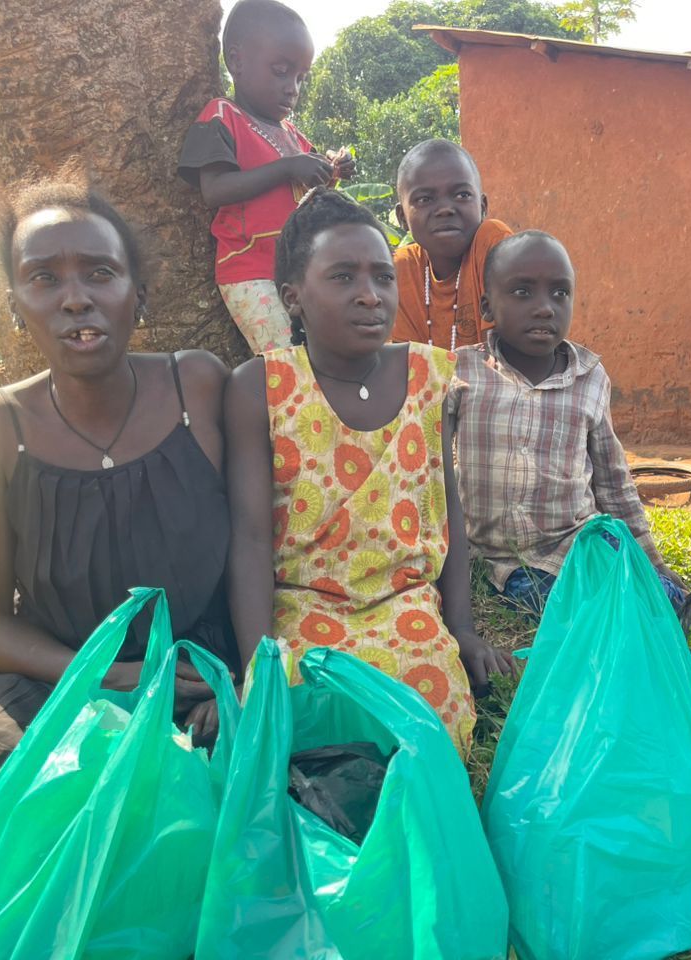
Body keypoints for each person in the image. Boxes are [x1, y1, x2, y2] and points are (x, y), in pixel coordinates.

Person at [0, 176, 238, 941]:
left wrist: (238, 675)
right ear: (16, 304)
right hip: (53, 681)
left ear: (138, 291)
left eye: (100, 272)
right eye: (44, 277)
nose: (76, 298)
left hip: (195, 675)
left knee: (221, 832)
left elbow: (257, 546)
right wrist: (111, 676)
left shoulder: (200, 385)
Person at [223, 189, 513, 753]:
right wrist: (256, 665)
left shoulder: (429, 375)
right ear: (292, 298)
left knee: (438, 714)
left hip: (401, 600)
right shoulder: (260, 387)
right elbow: (252, 537)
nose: (370, 296)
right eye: (342, 278)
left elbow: (445, 505)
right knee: (303, 714)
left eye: (383, 277)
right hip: (305, 605)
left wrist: (463, 629)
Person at [448, 230, 685, 616]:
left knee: (657, 595)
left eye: (560, 293)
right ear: (488, 308)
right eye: (523, 292)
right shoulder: (461, 372)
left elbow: (613, 479)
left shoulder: (590, 378)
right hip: (504, 559)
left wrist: (652, 561)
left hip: (579, 540)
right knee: (556, 603)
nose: (545, 307)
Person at [178, 0, 354, 354]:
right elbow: (214, 189)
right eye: (280, 70)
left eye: (301, 77)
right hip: (250, 271)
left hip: (298, 273)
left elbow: (307, 186)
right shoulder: (223, 115)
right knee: (287, 360)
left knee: (326, 354)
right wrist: (289, 167)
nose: (293, 87)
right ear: (237, 61)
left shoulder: (291, 134)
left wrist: (332, 170)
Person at [391, 139, 512, 349]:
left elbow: (507, 358)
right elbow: (405, 365)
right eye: (425, 199)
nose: (445, 209)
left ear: (482, 206)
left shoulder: (491, 243)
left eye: (462, 195)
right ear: (402, 217)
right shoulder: (402, 269)